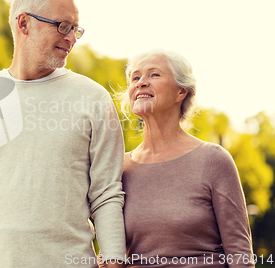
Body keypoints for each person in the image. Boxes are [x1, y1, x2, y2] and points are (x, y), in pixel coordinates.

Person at [0, 0, 126, 268]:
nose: (71, 38)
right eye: (63, 26)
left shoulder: (93, 99)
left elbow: (106, 195)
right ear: (24, 23)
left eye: (76, 29)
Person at [108, 50, 253, 267]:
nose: (141, 83)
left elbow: (240, 255)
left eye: (154, 75)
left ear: (181, 92)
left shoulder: (213, 160)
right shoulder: (119, 168)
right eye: (135, 78)